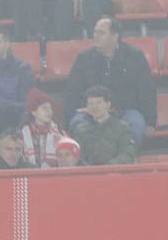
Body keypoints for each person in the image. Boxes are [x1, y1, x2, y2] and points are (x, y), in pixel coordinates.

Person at [65, 13, 155, 144]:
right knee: (77, 123)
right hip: (91, 111)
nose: (95, 36)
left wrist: (150, 122)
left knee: (136, 123)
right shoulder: (83, 58)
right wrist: (72, 117)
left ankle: (125, 159)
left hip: (125, 110)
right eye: (95, 32)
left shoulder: (134, 56)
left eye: (101, 33)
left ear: (115, 36)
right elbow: (72, 91)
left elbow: (147, 90)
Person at [73, 85, 138, 165]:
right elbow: (78, 156)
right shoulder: (80, 130)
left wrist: (108, 167)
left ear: (108, 104)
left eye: (99, 102)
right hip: (89, 175)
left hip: (115, 173)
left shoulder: (122, 128)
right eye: (90, 103)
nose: (94, 107)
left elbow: (128, 154)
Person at [22, 90, 68, 168]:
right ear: (33, 112)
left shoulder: (60, 133)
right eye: (44, 108)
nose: (49, 111)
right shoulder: (22, 134)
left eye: (50, 108)